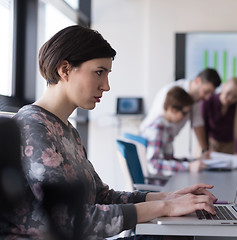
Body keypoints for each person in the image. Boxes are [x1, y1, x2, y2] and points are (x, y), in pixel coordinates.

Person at [0, 25, 217, 240]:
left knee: (184, 233)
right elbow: (67, 220)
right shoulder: (32, 126)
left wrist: (167, 197)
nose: (106, 86)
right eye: (99, 72)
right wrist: (165, 207)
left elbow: (102, 197)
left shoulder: (67, 130)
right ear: (65, 69)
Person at [139, 68, 221, 153]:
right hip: (151, 142)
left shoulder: (196, 99)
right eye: (206, 92)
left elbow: (198, 123)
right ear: (197, 81)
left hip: (164, 142)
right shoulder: (172, 92)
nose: (207, 97)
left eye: (210, 94)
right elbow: (156, 163)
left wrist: (205, 150)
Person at [140, 86, 207, 177]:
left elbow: (168, 160)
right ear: (172, 110)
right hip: (161, 185)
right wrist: (188, 167)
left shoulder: (165, 126)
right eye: (184, 113)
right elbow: (154, 165)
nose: (186, 116)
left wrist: (193, 161)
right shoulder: (158, 128)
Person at [201, 77, 237, 155]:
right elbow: (203, 127)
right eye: (228, 93)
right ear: (223, 87)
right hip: (210, 144)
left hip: (230, 146)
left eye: (235, 97)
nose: (230, 98)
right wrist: (205, 148)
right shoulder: (208, 100)